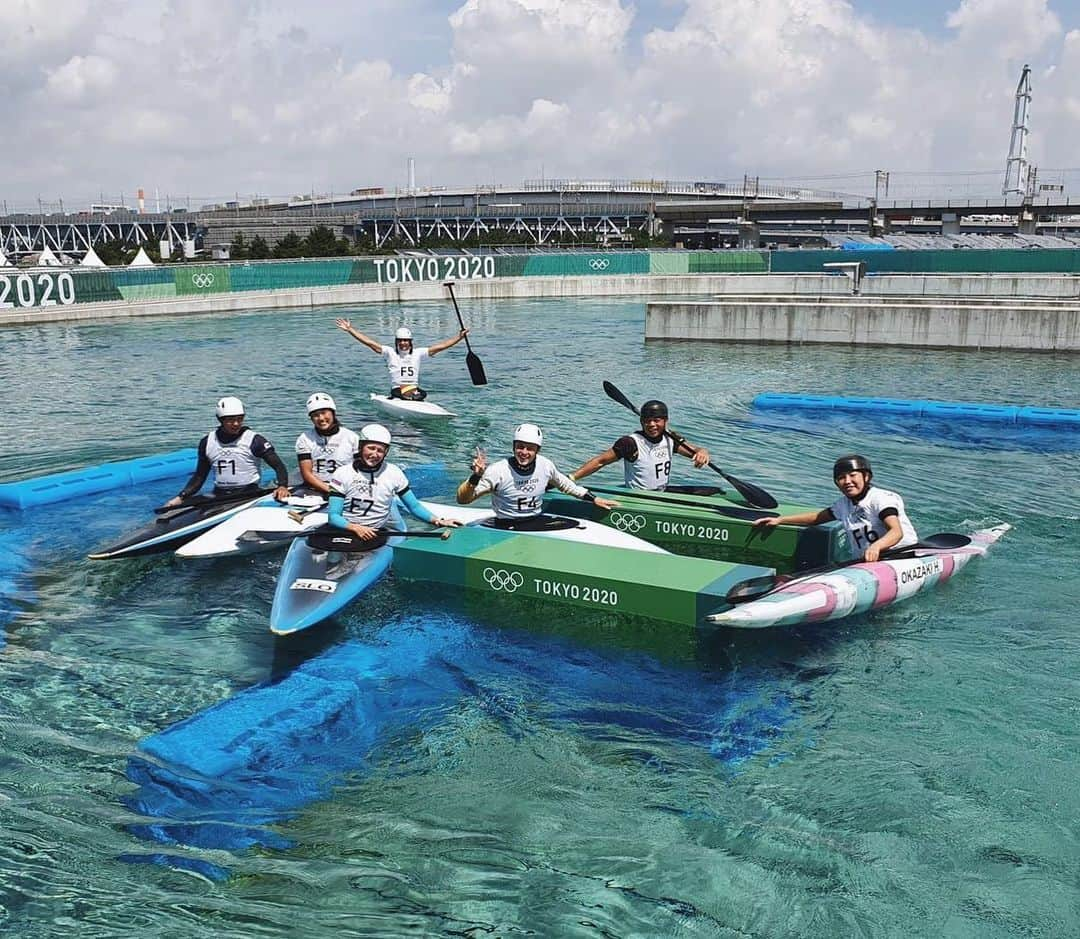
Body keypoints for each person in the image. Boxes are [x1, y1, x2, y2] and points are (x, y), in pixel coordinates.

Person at [752, 455, 918, 562]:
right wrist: (780, 520)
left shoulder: (881, 499)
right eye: (841, 478)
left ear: (866, 477)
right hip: (868, 563)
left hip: (901, 556)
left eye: (852, 475)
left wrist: (876, 547)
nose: (847, 481)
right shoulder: (842, 505)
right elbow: (817, 518)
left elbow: (896, 532)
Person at [456, 422, 619, 527]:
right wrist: (476, 477)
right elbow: (463, 499)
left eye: (530, 448)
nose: (524, 452)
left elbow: (566, 485)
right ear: (513, 447)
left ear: (537, 450)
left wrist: (593, 499)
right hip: (506, 525)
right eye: (520, 447)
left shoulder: (545, 465)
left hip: (534, 520)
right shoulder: (498, 471)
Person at [327, 423, 460, 543]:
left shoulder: (394, 473)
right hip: (346, 530)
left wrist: (439, 521)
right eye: (371, 448)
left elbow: (414, 506)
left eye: (380, 450)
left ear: (386, 453)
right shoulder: (342, 473)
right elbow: (333, 516)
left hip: (376, 532)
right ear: (361, 447)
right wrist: (356, 528)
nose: (375, 454)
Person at [165, 397, 290, 506]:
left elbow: (279, 466)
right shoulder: (207, 442)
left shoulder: (255, 440)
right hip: (219, 494)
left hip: (249, 494)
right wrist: (181, 497)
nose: (236, 424)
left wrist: (282, 486)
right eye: (230, 420)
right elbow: (199, 476)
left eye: (240, 419)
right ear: (220, 420)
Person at [567, 399, 711, 492]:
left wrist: (702, 452)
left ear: (665, 421)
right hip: (640, 498)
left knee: (711, 491)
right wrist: (571, 478)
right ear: (641, 422)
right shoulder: (630, 443)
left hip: (663, 493)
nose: (652, 425)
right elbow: (600, 461)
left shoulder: (670, 439)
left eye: (656, 420)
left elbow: (694, 451)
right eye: (647, 421)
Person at [334, 318, 468, 400]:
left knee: (423, 393)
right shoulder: (389, 352)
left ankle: (412, 399)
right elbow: (369, 342)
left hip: (413, 390)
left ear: (410, 342)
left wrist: (459, 337)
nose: (403, 343)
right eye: (401, 341)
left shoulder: (418, 353)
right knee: (405, 393)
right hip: (397, 389)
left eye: (406, 341)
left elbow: (441, 346)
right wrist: (350, 330)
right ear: (396, 342)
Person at [294, 393, 360, 496]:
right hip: (315, 487)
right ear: (311, 418)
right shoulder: (304, 439)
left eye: (324, 413)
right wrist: (331, 491)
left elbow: (359, 470)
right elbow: (307, 474)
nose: (321, 418)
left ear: (333, 413)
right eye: (315, 415)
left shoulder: (352, 437)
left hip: (345, 487)